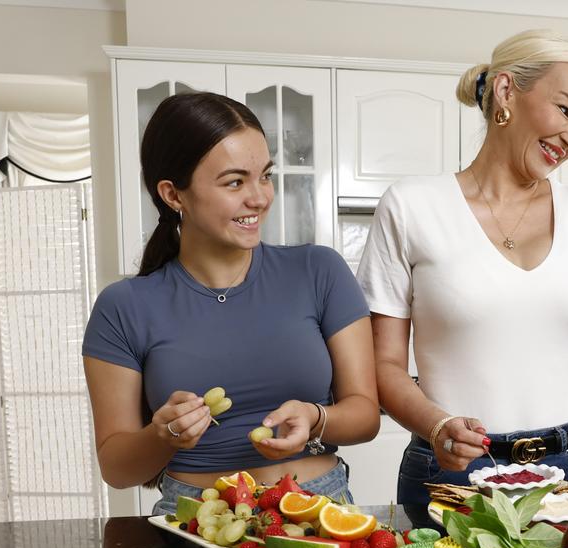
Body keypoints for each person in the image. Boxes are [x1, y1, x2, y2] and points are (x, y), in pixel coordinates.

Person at [357, 29, 568, 519]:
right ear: (507, 92)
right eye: (566, 111)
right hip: (456, 476)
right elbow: (384, 366)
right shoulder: (412, 206)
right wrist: (438, 425)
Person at [82, 92, 379, 515]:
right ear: (173, 195)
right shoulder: (123, 307)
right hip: (194, 518)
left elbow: (365, 414)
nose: (259, 198)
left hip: (316, 505)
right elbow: (117, 468)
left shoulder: (319, 271)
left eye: (265, 176)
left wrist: (315, 417)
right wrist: (162, 435)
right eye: (235, 182)